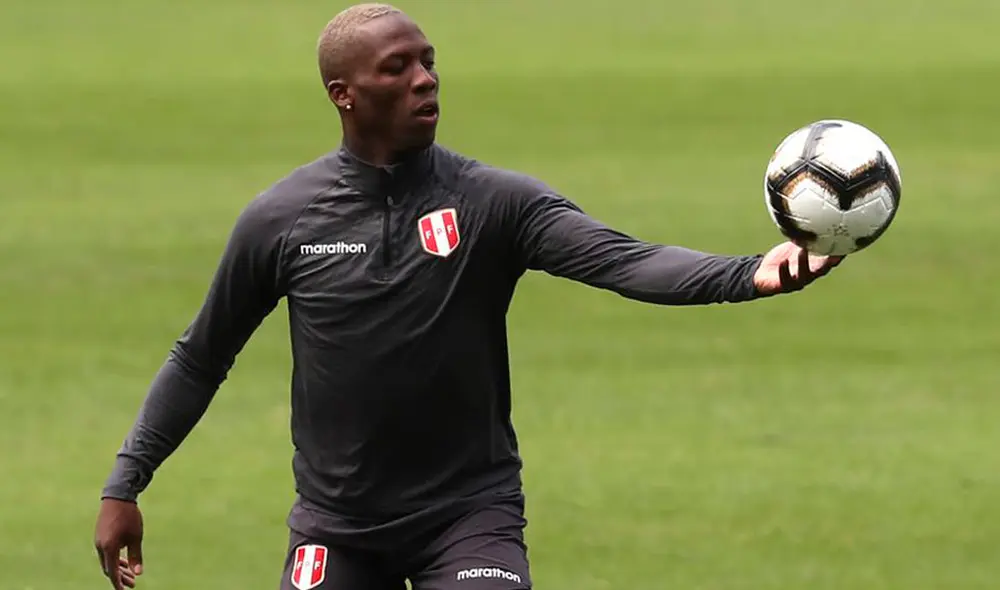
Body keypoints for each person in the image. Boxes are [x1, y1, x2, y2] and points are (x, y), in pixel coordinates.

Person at [93, 3, 842, 589]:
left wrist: (750, 273)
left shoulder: (493, 203)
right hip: (336, 527)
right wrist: (125, 484)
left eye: (429, 62)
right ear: (344, 95)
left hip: (467, 517)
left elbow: (625, 262)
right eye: (399, 68)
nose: (426, 79)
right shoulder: (282, 220)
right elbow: (201, 358)